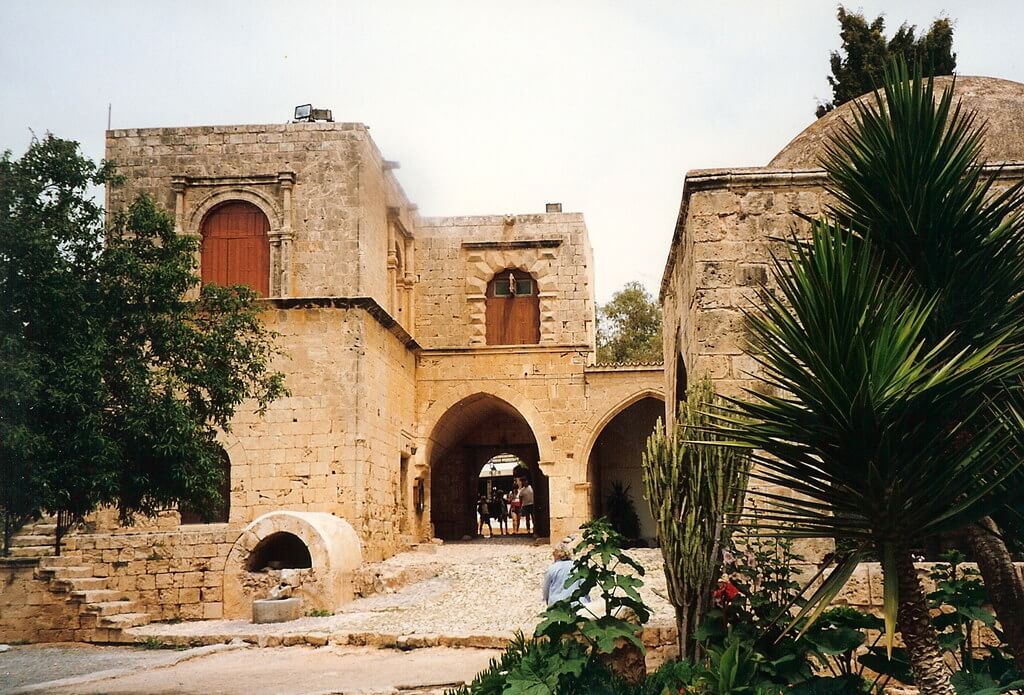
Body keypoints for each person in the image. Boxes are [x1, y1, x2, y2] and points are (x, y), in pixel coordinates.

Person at [542, 538, 588, 607]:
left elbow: (546, 589)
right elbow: (585, 586)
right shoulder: (577, 566)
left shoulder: (552, 569)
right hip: (578, 604)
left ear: (556, 555)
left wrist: (547, 601)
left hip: (557, 604)